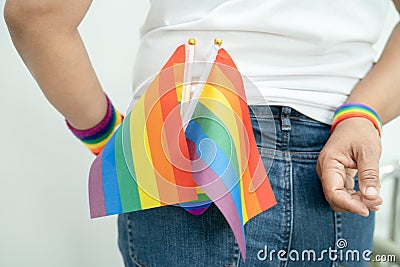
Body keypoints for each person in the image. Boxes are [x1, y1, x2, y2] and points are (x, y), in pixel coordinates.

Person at [4, 1, 400, 266]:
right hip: (335, 155)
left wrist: (105, 135)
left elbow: (37, 13)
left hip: (182, 146)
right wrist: (362, 115)